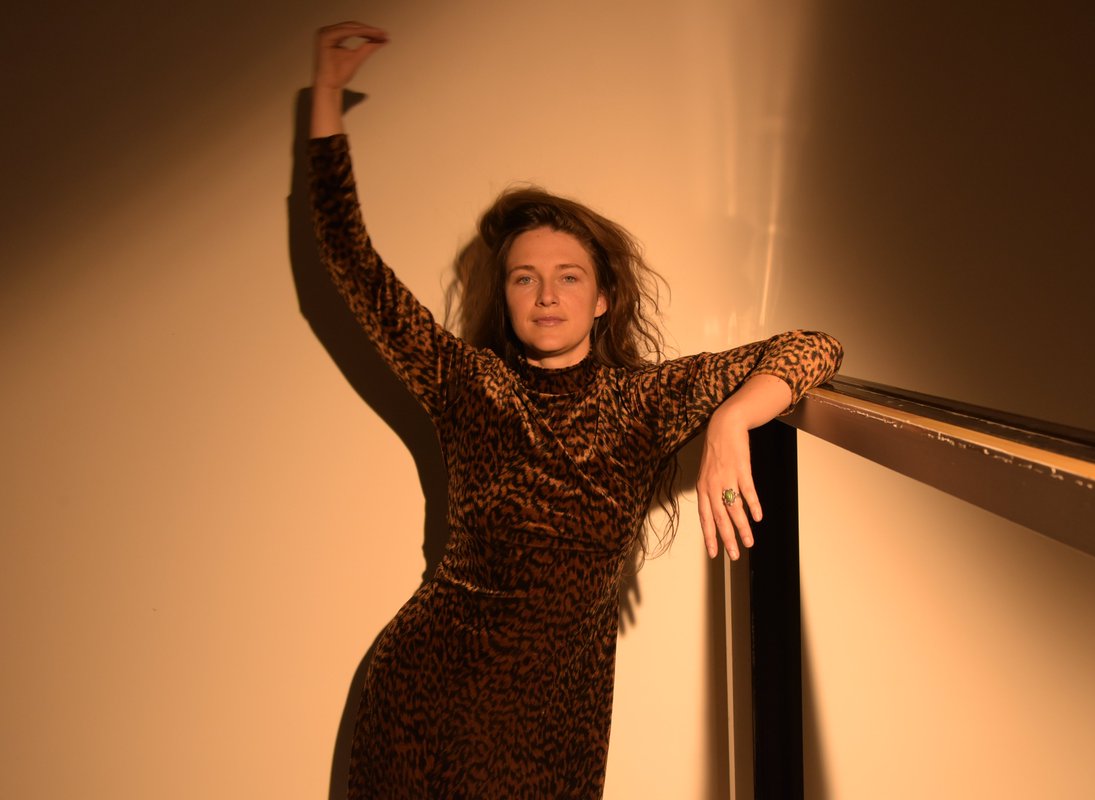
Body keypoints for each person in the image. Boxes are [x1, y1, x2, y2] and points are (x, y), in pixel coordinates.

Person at [309, 21, 843, 798]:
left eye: (568, 276)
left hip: (555, 723)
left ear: (602, 300)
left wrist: (732, 421)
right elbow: (351, 261)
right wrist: (326, 96)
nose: (546, 294)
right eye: (524, 278)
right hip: (424, 698)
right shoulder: (467, 384)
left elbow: (813, 346)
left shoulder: (640, 403)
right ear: (506, 296)